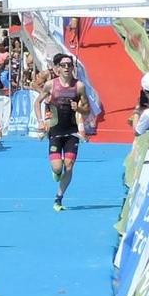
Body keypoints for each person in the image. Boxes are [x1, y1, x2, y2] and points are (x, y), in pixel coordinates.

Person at [41, 53, 90, 212]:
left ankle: (59, 198)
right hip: (55, 131)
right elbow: (38, 102)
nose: (67, 67)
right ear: (57, 68)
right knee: (58, 168)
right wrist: (41, 121)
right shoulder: (50, 85)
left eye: (69, 64)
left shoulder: (79, 86)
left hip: (72, 132)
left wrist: (79, 108)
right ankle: (56, 172)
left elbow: (87, 109)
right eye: (63, 65)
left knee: (69, 166)